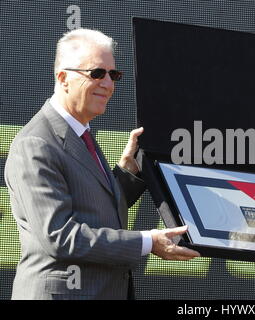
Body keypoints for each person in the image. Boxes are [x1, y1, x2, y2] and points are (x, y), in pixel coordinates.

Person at [4, 28, 200, 300]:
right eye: (97, 73)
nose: (108, 84)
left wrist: (126, 174)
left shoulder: (81, 135)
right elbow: (60, 237)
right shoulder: (36, 143)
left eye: (113, 74)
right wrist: (147, 242)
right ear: (63, 78)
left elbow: (94, 210)